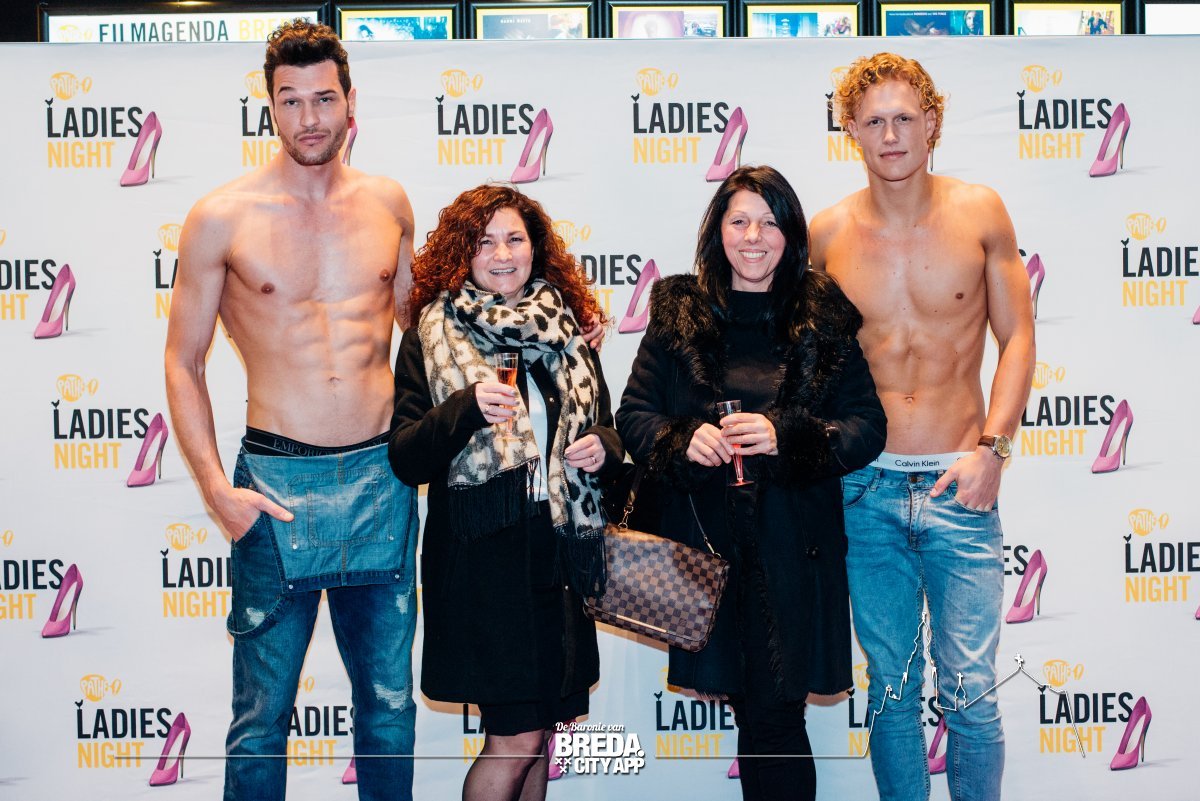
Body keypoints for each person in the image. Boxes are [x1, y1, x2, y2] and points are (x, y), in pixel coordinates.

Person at [165, 21, 420, 801]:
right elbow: (183, 360)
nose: (309, 118)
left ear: (351, 103)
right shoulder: (222, 216)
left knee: (388, 710)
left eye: (323, 99)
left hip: (382, 477)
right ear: (269, 108)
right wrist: (217, 489)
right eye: (291, 101)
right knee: (261, 719)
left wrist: (556, 322)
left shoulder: (389, 203)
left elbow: (428, 332)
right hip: (274, 486)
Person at [617, 165, 886, 801]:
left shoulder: (822, 315)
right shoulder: (680, 312)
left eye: (769, 222)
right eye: (739, 221)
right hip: (706, 549)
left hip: (792, 549)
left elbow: (867, 426)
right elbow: (635, 415)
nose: (753, 236)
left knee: (776, 716)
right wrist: (684, 439)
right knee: (754, 714)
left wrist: (785, 435)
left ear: (791, 234)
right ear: (718, 232)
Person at [810, 53, 1035, 801]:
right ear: (850, 129)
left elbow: (1019, 337)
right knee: (892, 690)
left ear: (932, 122)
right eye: (874, 121)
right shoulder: (827, 234)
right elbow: (783, 351)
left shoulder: (981, 212)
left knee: (970, 688)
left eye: (905, 118)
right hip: (864, 489)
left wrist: (993, 450)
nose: (891, 135)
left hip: (960, 482)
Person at [389, 184, 620, 801]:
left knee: (542, 736)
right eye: (483, 241)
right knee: (514, 740)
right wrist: (466, 407)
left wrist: (603, 447)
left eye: (514, 238)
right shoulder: (432, 333)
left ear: (534, 248)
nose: (501, 254)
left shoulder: (567, 332)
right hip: (483, 567)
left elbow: (607, 429)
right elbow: (406, 457)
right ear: (461, 253)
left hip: (561, 555)